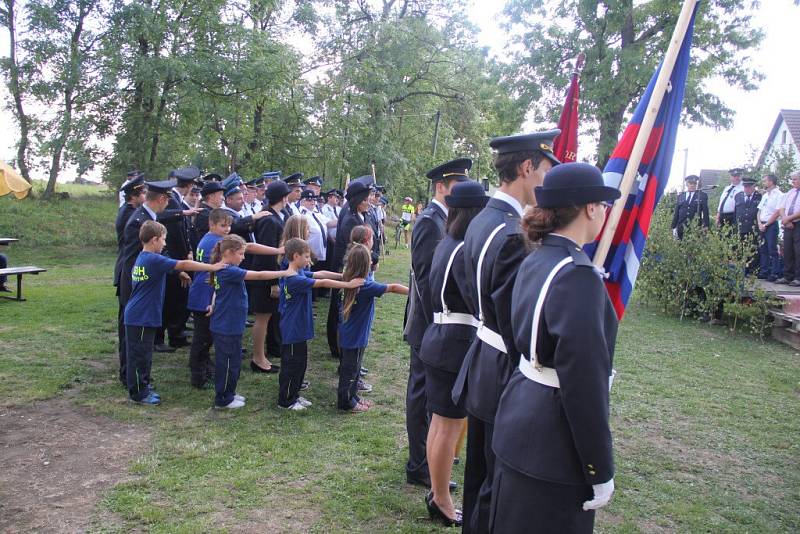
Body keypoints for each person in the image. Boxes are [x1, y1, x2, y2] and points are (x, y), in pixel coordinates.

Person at [489, 162, 620, 533]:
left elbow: (514, 333)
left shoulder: (538, 257)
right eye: (603, 205)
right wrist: (599, 466)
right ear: (589, 208)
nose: (606, 213)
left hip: (519, 411)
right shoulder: (578, 275)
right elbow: (584, 383)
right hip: (554, 444)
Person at [452, 130, 560, 533]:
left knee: (479, 474)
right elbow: (519, 319)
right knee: (495, 485)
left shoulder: (483, 219)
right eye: (547, 170)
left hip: (482, 356)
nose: (548, 182)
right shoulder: (513, 232)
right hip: (503, 366)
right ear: (527, 167)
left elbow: (470, 286)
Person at [419, 181, 488, 527]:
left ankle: (437, 489)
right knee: (448, 425)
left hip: (442, 335)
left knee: (439, 423)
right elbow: (475, 299)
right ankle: (442, 498)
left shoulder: (447, 243)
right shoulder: (462, 249)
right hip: (455, 340)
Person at [404, 158, 472, 491]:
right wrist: (440, 323)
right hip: (429, 322)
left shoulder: (446, 219)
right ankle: (418, 464)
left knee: (430, 398)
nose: (460, 192)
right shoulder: (430, 221)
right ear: (440, 187)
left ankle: (429, 459)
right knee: (420, 395)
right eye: (456, 187)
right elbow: (427, 279)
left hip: (438, 323)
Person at [124, 220, 224, 405]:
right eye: (163, 239)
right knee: (140, 356)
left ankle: (142, 386)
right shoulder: (153, 259)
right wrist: (213, 267)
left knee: (143, 355)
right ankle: (138, 393)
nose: (165, 243)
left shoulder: (144, 257)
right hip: (141, 316)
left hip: (141, 315)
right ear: (154, 240)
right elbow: (184, 264)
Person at [187, 209, 283, 388]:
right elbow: (250, 247)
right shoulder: (217, 242)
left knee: (205, 337)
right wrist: (277, 250)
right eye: (223, 225)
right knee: (202, 339)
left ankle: (204, 368)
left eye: (229, 225)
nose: (227, 229)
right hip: (204, 295)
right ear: (211, 224)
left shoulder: (209, 239)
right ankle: (198, 374)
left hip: (205, 292)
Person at [117, 180, 193, 380]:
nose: (169, 203)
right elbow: (134, 258)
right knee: (132, 334)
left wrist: (174, 271)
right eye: (168, 199)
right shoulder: (140, 221)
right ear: (161, 199)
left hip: (142, 279)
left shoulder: (149, 217)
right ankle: (130, 375)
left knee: (137, 334)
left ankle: (134, 374)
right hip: (134, 281)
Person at [277, 238, 364, 410]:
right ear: (295, 256)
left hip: (299, 329)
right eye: (307, 256)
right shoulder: (294, 278)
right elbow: (322, 283)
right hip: (292, 330)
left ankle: (294, 395)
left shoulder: (299, 272)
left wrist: (344, 276)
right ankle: (285, 400)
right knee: (291, 365)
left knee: (300, 364)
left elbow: (321, 274)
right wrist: (347, 284)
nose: (309, 260)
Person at [207, 235, 290, 409]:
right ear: (229, 253)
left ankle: (229, 393)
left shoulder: (227, 268)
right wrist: (284, 272)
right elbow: (259, 275)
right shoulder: (229, 270)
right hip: (226, 326)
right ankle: (222, 399)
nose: (244, 257)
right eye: (241, 253)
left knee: (234, 361)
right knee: (228, 363)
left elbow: (216, 291)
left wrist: (213, 303)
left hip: (232, 324)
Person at [337, 242, 408, 412]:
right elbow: (392, 287)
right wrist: (415, 291)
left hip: (352, 334)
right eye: (369, 260)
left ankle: (353, 397)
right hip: (354, 336)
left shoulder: (350, 278)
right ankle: (346, 403)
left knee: (354, 369)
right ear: (364, 264)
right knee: (350, 371)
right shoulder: (365, 285)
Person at [327, 180, 374, 361]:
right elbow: (352, 249)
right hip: (345, 268)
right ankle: (338, 347)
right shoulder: (350, 219)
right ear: (357, 200)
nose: (368, 202)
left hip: (352, 268)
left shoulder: (358, 215)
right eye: (365, 199)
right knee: (340, 310)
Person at [250, 180, 292, 372]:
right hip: (265, 276)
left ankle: (262, 356)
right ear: (283, 198)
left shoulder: (276, 216)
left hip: (271, 274)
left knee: (267, 317)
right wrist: (274, 281)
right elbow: (268, 253)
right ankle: (258, 358)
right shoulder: (269, 219)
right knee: (262, 318)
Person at [113, 174, 146, 375]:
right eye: (142, 193)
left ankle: (127, 368)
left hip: (126, 268)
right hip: (126, 270)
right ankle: (127, 370)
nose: (145, 196)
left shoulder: (131, 211)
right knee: (126, 323)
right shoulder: (129, 215)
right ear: (134, 196)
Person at [757, 174, 784, 281]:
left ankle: (774, 272)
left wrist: (766, 224)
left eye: (765, 181)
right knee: (763, 249)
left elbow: (777, 212)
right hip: (762, 223)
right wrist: (759, 223)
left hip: (771, 225)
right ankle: (764, 271)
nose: (764, 183)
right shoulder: (765, 195)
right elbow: (759, 210)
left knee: (772, 248)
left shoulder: (779, 195)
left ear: (771, 182)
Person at [734, 177, 762, 275]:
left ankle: (752, 270)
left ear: (754, 186)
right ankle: (742, 270)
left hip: (753, 227)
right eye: (745, 186)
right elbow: (735, 212)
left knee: (753, 249)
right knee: (741, 249)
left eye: (749, 186)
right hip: (741, 227)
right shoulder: (738, 196)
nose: (747, 189)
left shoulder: (760, 196)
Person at [776, 172, 800, 286]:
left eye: (795, 179)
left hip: (798, 224)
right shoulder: (790, 192)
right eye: (792, 179)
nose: (793, 182)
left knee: (798, 251)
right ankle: (787, 276)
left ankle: (798, 278)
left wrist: (788, 219)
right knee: (787, 250)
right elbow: (782, 207)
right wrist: (785, 219)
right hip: (788, 224)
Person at [670, 175, 709, 240]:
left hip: (694, 227)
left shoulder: (702, 195)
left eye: (694, 183)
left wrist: (706, 226)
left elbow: (705, 212)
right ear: (687, 184)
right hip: (681, 227)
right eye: (690, 183)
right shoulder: (681, 196)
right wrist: (673, 227)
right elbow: (676, 213)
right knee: (679, 246)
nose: (692, 185)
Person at [193, 181, 225, 249]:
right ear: (211, 196)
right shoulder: (205, 214)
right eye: (221, 194)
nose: (223, 198)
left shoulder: (209, 211)